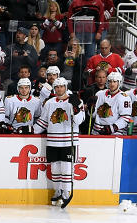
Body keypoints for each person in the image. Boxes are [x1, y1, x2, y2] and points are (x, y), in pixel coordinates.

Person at [34, 77, 83, 207]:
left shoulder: (75, 101)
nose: (59, 89)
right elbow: (43, 121)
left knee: (67, 168)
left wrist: (76, 107)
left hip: (68, 141)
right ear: (54, 88)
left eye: (62, 86)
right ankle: (58, 191)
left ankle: (66, 193)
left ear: (65, 87)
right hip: (52, 141)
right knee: (55, 169)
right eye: (57, 87)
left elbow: (79, 120)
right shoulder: (49, 103)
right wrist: (31, 130)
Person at [90, 71, 131, 135]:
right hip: (97, 132)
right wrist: (90, 109)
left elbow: (125, 118)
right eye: (110, 81)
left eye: (115, 82)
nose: (112, 84)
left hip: (115, 134)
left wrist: (111, 128)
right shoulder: (99, 94)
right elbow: (93, 115)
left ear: (119, 83)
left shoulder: (124, 97)